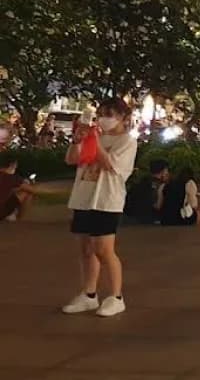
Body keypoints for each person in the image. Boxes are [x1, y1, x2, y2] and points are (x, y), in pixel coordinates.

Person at [62, 98, 138, 317]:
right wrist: (77, 141)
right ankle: (89, 294)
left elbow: (109, 164)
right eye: (102, 113)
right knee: (86, 250)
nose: (104, 118)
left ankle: (116, 297)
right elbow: (72, 159)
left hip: (106, 200)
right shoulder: (94, 136)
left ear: (123, 117)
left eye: (110, 114)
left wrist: (94, 139)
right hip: (83, 197)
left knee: (103, 249)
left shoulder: (127, 141)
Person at [123, 159, 169, 224]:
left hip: (133, 219)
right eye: (166, 170)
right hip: (150, 220)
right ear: (163, 171)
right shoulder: (158, 185)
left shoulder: (141, 182)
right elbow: (157, 205)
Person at [0, 151, 37, 221]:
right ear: (12, 164)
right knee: (27, 193)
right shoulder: (11, 177)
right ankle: (18, 220)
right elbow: (34, 190)